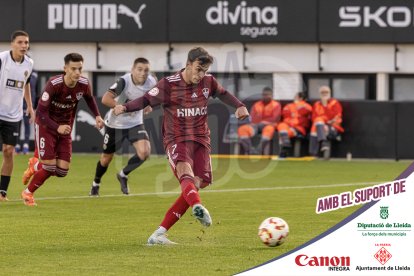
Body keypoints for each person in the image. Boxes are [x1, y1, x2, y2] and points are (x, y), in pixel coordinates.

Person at [113, 47, 249, 244]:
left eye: (204, 70)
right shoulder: (168, 85)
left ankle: (159, 234)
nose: (200, 74)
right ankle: (197, 206)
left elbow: (223, 93)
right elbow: (145, 100)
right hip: (176, 137)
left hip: (201, 138)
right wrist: (124, 107)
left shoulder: (208, 82)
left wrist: (239, 105)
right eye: (198, 69)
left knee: (200, 182)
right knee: (184, 171)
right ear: (188, 65)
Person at [21, 53, 104, 206]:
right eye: (73, 69)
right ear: (65, 68)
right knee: (50, 166)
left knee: (62, 172)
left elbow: (90, 98)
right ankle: (28, 192)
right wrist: (57, 127)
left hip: (65, 128)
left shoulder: (84, 84)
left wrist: (98, 115)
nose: (77, 73)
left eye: (80, 69)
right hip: (46, 126)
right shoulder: (54, 84)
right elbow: (40, 113)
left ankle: (35, 166)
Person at [89, 57, 156, 196]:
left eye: (146, 70)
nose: (143, 73)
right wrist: (118, 106)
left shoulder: (151, 82)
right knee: (106, 159)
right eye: (139, 69)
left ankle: (123, 174)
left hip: (135, 123)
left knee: (145, 152)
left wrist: (150, 105)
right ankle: (96, 184)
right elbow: (105, 98)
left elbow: (153, 98)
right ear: (132, 70)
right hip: (115, 124)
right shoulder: (124, 81)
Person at [0, 30, 35, 201]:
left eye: (26, 43)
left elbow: (26, 84)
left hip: (13, 115)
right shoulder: (2, 59)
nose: (24, 46)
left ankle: (2, 192)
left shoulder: (29, 63)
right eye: (20, 42)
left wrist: (29, 106)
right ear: (12, 44)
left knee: (8, 151)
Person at [237, 87, 281, 155]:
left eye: (268, 95)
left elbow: (275, 118)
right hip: (256, 125)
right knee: (242, 129)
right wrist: (256, 122)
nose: (266, 96)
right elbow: (252, 117)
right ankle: (250, 150)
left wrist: (264, 121)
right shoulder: (257, 104)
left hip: (269, 125)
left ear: (271, 95)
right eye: (264, 95)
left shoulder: (276, 105)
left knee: (269, 129)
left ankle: (259, 150)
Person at [309, 86, 344, 156]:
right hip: (319, 126)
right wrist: (323, 124)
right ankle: (314, 152)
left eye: (326, 92)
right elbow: (314, 118)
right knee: (316, 124)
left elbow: (337, 116)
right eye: (322, 92)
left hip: (333, 127)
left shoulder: (334, 103)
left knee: (318, 122)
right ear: (319, 94)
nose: (324, 94)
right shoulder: (316, 104)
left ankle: (318, 147)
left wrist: (325, 106)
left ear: (330, 93)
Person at [277, 92, 312, 157]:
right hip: (287, 125)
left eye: (296, 96)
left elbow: (308, 113)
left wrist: (299, 108)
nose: (294, 98)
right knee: (281, 126)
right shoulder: (289, 105)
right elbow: (285, 114)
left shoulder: (306, 106)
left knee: (286, 133)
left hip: (299, 128)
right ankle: (286, 144)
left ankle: (284, 151)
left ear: (301, 98)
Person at [16, 70, 38, 155]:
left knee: (27, 125)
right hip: (18, 106)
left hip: (27, 107)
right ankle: (17, 146)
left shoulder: (34, 73)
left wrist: (32, 107)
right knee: (17, 126)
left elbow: (34, 91)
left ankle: (26, 146)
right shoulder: (19, 71)